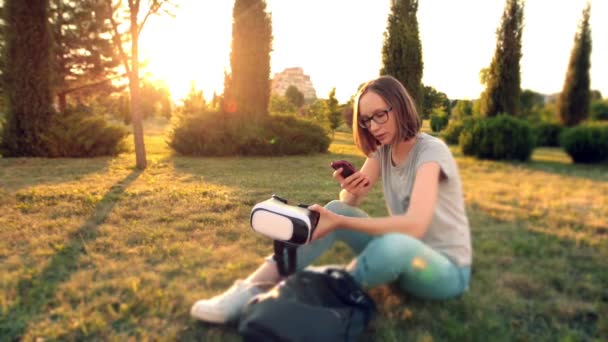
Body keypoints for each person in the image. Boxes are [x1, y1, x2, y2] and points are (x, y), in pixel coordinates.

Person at [191, 75, 472, 324]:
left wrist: (338, 222)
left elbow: (414, 227)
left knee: (393, 242)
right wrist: (353, 191)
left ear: (399, 108)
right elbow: (346, 201)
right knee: (337, 209)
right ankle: (251, 287)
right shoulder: (383, 150)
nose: (373, 126)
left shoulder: (431, 152)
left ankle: (324, 294)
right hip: (400, 262)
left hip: (445, 271)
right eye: (366, 120)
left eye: (380, 115)